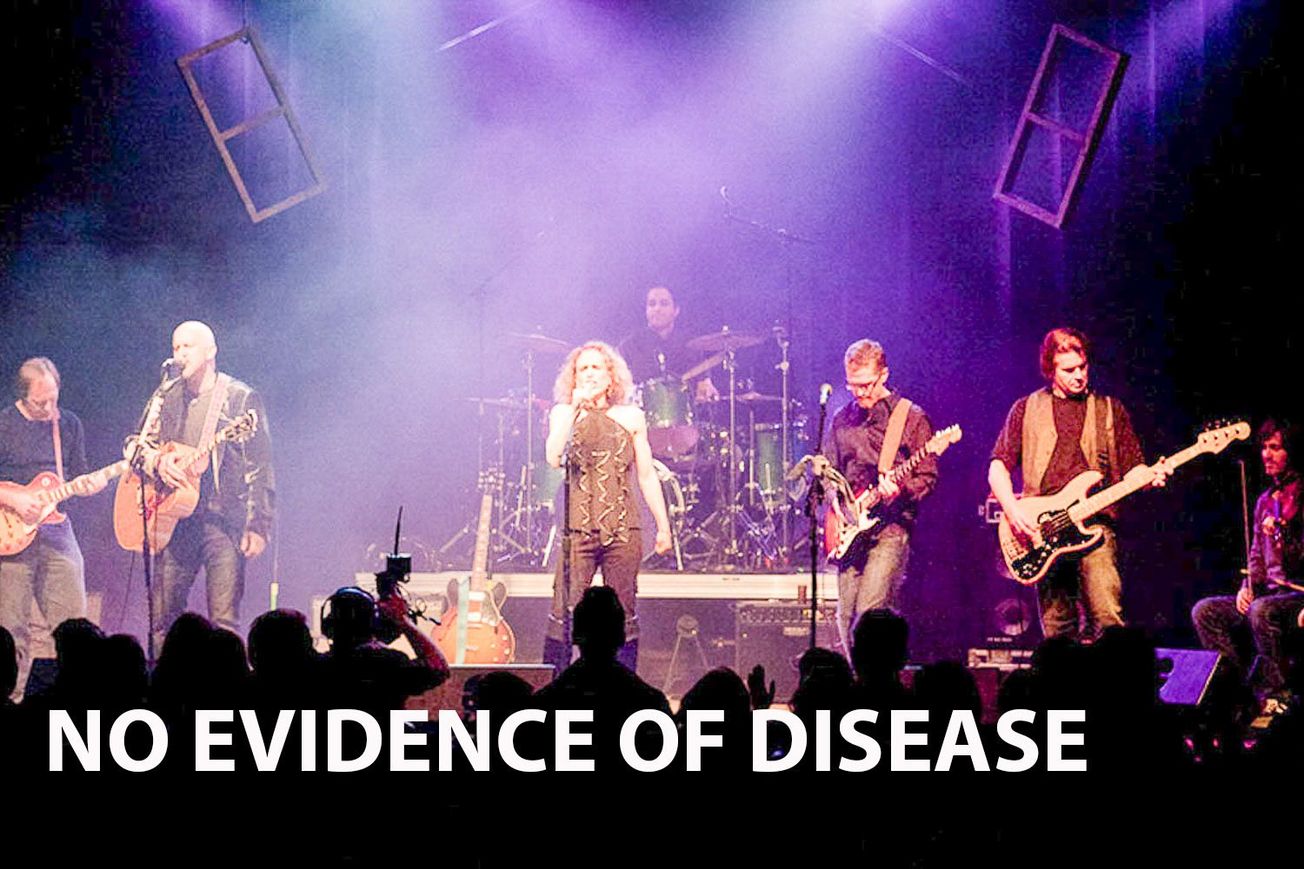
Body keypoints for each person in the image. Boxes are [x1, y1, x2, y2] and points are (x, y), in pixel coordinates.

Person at [989, 327, 1170, 643]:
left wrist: (1150, 476)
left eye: (1082, 367)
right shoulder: (1025, 408)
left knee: (1108, 619)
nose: (1078, 376)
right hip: (1043, 530)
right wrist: (1013, 511)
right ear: (1050, 370)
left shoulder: (1109, 409)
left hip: (1095, 524)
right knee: (1057, 630)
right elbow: (997, 467)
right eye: (1068, 370)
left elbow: (1134, 468)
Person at [126, 321, 275, 652]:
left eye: (188, 346)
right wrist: (157, 462)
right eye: (176, 347)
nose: (180, 354)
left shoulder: (238, 397)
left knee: (224, 622)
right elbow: (133, 446)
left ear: (211, 351)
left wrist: (258, 524)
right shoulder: (165, 395)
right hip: (175, 520)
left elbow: (260, 465)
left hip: (223, 521)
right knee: (162, 619)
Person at [541, 341, 672, 674]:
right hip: (577, 530)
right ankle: (555, 684)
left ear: (611, 376)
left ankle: (621, 687)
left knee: (623, 612)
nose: (589, 374)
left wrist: (663, 526)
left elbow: (646, 475)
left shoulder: (631, 417)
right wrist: (575, 409)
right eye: (582, 369)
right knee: (564, 611)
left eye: (596, 367)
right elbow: (553, 457)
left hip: (622, 529)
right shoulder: (563, 413)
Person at [822, 339, 938, 650]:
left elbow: (927, 476)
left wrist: (900, 490)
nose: (860, 393)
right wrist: (835, 508)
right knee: (844, 617)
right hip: (849, 531)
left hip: (890, 529)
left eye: (866, 385)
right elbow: (828, 472)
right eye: (853, 385)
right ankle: (858, 677)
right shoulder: (842, 419)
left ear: (884, 375)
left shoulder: (910, 417)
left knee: (869, 615)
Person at [0, 357, 105, 699]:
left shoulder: (68, 424)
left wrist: (90, 485)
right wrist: (14, 499)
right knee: (11, 628)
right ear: (22, 396)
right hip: (10, 533)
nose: (48, 408)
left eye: (53, 399)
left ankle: (78, 701)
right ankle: (13, 696)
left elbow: (78, 475)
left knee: (75, 626)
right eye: (39, 402)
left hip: (56, 531)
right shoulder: (4, 424)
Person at [1192, 418, 1304, 724]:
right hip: (1269, 595)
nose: (1266, 455)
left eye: (1275, 448)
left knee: (1261, 610)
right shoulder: (1265, 501)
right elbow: (1256, 556)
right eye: (1264, 448)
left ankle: (1277, 695)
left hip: (1297, 596)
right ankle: (1239, 694)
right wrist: (1247, 585)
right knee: (1206, 611)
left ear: (1291, 452)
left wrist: (1286, 534)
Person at [619, 285, 719, 400]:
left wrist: (705, 383)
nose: (657, 309)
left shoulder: (691, 345)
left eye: (664, 303)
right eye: (652, 304)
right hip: (640, 409)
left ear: (676, 310)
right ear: (646, 310)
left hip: (685, 408)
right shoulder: (629, 346)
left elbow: (703, 379)